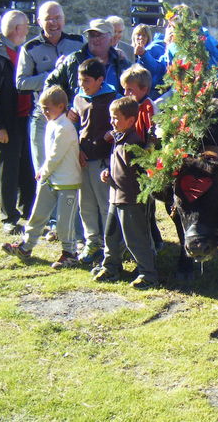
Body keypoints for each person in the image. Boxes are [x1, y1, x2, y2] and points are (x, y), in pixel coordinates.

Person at [1, 86, 80, 268]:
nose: (45, 112)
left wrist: (43, 171)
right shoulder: (51, 124)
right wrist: (45, 173)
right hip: (50, 179)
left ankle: (70, 252)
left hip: (66, 182)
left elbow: (55, 155)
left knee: (63, 221)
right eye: (42, 108)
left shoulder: (65, 127)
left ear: (61, 106)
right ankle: (26, 246)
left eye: (48, 108)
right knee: (38, 214)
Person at [0, 10, 35, 235]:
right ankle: (9, 218)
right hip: (6, 122)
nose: (28, 30)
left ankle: (27, 211)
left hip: (24, 119)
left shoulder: (19, 50)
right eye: (25, 26)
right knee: (7, 170)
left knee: (25, 168)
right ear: (16, 29)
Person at [94, 97, 159, 289]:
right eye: (111, 118)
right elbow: (118, 165)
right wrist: (108, 172)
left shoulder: (134, 142)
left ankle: (148, 274)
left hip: (132, 200)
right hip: (115, 197)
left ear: (130, 121)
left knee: (135, 238)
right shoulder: (118, 139)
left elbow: (142, 168)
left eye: (116, 118)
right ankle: (111, 267)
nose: (112, 122)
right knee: (111, 235)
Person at [17, 1, 84, 173]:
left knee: (72, 169)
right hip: (44, 117)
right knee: (43, 170)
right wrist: (54, 73)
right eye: (48, 19)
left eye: (57, 18)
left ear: (64, 19)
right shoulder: (30, 48)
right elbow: (21, 83)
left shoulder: (77, 42)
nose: (53, 23)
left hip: (73, 114)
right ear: (39, 21)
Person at [67, 58, 119, 264]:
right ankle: (92, 241)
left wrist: (110, 135)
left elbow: (119, 125)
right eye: (80, 80)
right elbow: (76, 126)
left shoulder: (111, 98)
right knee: (85, 203)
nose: (82, 84)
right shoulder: (79, 99)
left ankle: (111, 244)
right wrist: (78, 149)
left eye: (87, 80)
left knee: (105, 203)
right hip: (84, 159)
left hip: (102, 160)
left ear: (100, 80)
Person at [121, 64, 163, 248]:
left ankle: (152, 240)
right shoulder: (131, 106)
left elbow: (153, 135)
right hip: (131, 161)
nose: (126, 93)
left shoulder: (147, 108)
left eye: (130, 89)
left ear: (143, 89)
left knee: (146, 205)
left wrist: (146, 154)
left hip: (144, 163)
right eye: (125, 89)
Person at [45, 18, 131, 97]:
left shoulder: (121, 63)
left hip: (114, 112)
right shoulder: (74, 60)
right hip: (80, 112)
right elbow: (49, 84)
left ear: (111, 39)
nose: (95, 39)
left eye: (99, 35)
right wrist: (65, 108)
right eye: (92, 35)